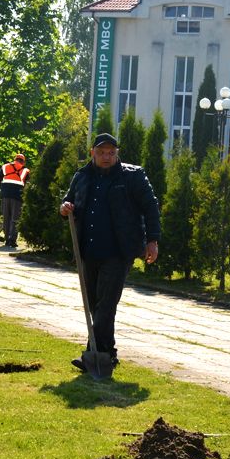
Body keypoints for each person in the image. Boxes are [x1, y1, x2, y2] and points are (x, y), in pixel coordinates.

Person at [59, 133, 160, 373]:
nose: (107, 157)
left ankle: (93, 355)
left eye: (111, 153)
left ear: (117, 154)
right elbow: (67, 202)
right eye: (102, 152)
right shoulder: (82, 176)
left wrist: (152, 240)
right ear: (92, 152)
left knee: (106, 304)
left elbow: (151, 207)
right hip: (88, 251)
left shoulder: (133, 176)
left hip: (118, 251)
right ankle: (107, 353)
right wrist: (64, 208)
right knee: (95, 304)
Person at [0, 153, 29, 247]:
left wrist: (3, 188)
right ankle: (12, 240)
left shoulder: (5, 166)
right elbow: (27, 185)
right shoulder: (25, 170)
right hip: (17, 197)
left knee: (6, 217)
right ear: (23, 162)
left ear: (15, 159)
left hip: (5, 195)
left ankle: (6, 238)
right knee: (15, 218)